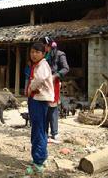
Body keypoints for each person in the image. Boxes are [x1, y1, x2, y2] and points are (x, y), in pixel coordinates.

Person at [26, 42, 54, 175]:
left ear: (43, 54)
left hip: (39, 99)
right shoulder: (38, 65)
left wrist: (30, 87)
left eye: (37, 52)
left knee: (38, 130)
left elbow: (40, 78)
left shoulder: (43, 64)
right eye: (32, 52)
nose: (34, 54)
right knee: (40, 129)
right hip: (37, 99)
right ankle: (41, 157)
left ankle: (38, 162)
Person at [42, 37, 69, 142]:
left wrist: (56, 76)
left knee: (53, 108)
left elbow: (66, 68)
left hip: (54, 83)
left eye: (44, 46)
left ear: (48, 45)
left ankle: (54, 133)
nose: (44, 48)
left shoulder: (60, 54)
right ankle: (44, 132)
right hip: (44, 83)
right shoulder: (45, 56)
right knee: (44, 107)